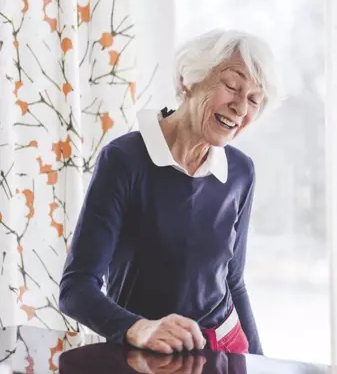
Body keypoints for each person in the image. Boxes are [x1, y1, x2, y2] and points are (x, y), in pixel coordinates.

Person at [59, 29, 281, 355]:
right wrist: (140, 329)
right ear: (187, 82)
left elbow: (234, 281)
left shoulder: (240, 172)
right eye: (232, 86)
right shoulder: (124, 160)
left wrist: (259, 363)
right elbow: (76, 288)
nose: (239, 107)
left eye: (253, 99)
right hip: (147, 351)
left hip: (225, 347)